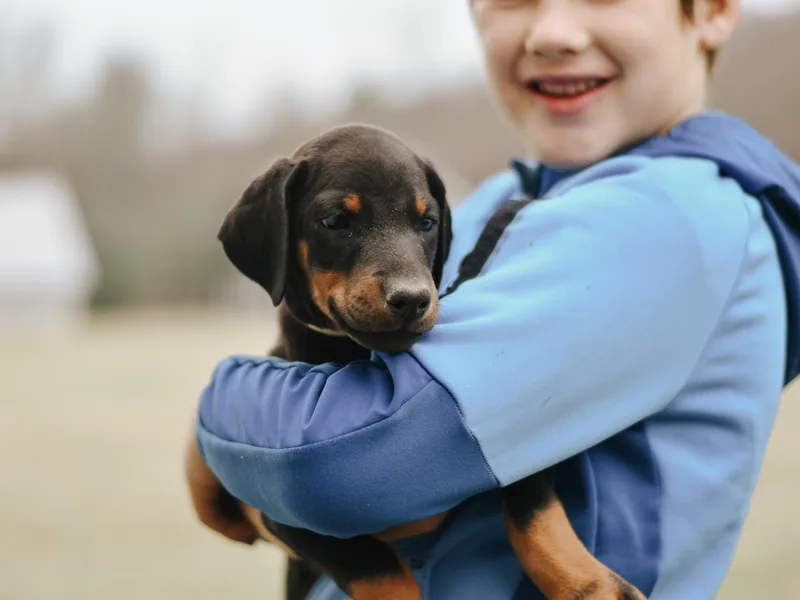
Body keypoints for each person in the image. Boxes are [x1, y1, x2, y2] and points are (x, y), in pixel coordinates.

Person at [184, 0, 800, 598]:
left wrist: (220, 420)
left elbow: (342, 464)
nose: (552, 32)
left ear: (715, 8)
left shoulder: (670, 213)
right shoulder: (502, 199)